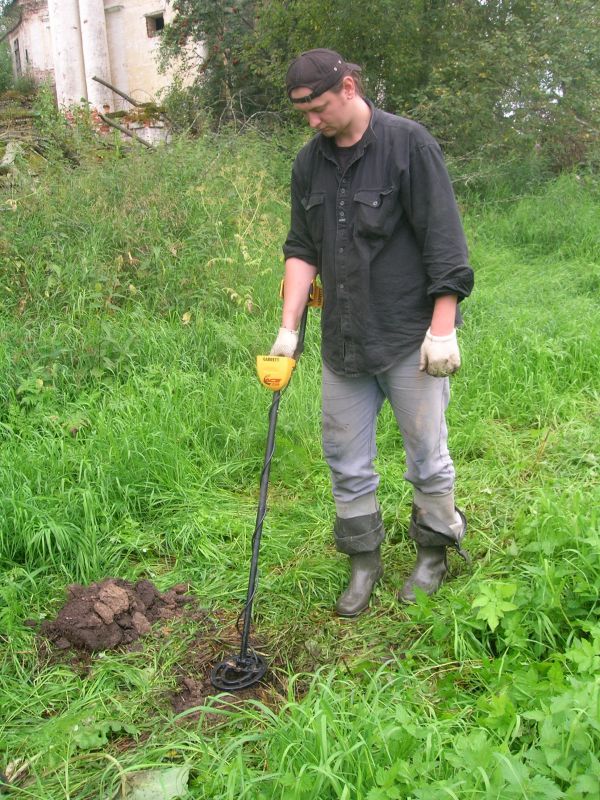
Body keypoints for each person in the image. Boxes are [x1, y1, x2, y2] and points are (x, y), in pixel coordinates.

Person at [270, 49, 474, 616]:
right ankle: (364, 562)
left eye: (318, 108)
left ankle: (432, 553)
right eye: (303, 113)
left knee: (427, 455)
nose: (313, 121)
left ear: (349, 87)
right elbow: (301, 248)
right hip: (344, 341)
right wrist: (288, 329)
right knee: (344, 457)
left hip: (409, 337)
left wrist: (443, 329)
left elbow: (445, 243)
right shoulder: (308, 163)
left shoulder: (409, 145)